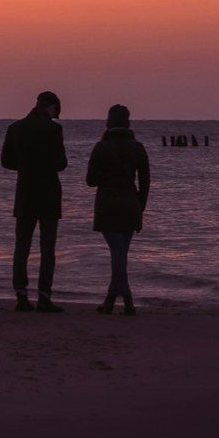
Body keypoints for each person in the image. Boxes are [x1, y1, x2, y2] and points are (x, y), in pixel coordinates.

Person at [1, 91, 68, 312]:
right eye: (56, 111)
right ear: (51, 107)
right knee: (47, 248)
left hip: (25, 192)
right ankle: (44, 296)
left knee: (22, 246)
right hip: (48, 193)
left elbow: (6, 161)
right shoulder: (54, 129)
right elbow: (60, 163)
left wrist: (26, 167)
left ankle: (21, 294)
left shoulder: (15, 128)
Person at [85, 104, 150, 316]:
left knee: (118, 255)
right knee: (120, 255)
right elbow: (145, 181)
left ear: (109, 122)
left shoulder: (101, 148)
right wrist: (141, 205)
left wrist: (107, 174)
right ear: (128, 122)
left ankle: (127, 297)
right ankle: (111, 300)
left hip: (108, 205)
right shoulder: (138, 148)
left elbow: (91, 181)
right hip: (131, 204)